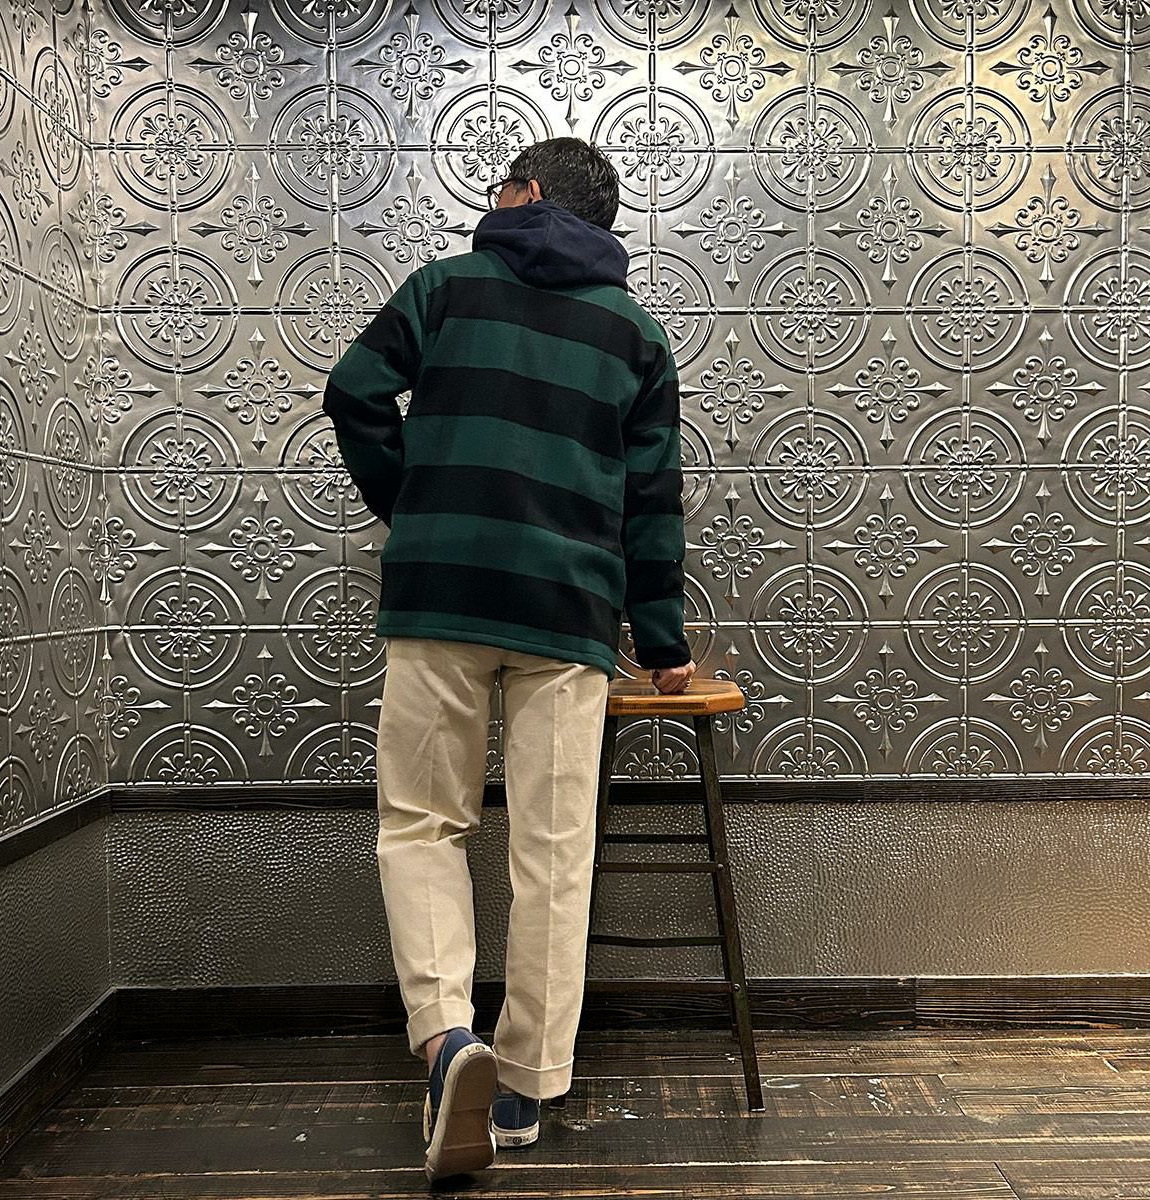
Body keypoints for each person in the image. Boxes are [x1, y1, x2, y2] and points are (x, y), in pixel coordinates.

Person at [322, 136, 696, 1183]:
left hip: (441, 595)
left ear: (526, 194)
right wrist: (663, 643)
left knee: (422, 824)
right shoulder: (635, 334)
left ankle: (448, 1041)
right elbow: (652, 503)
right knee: (554, 849)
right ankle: (524, 1085)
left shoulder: (444, 288)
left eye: (500, 186)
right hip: (569, 613)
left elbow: (352, 391)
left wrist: (413, 504)